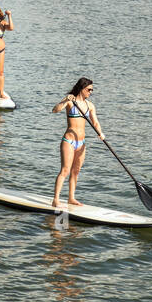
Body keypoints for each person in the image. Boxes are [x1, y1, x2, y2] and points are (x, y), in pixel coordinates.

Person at [51, 78, 104, 208]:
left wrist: (100, 133)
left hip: (81, 143)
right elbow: (55, 110)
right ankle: (56, 200)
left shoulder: (90, 105)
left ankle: (71, 198)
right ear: (82, 88)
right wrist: (65, 100)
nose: (91, 92)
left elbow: (95, 122)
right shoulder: (70, 102)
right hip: (68, 141)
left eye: (92, 90)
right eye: (89, 89)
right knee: (65, 170)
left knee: (76, 171)